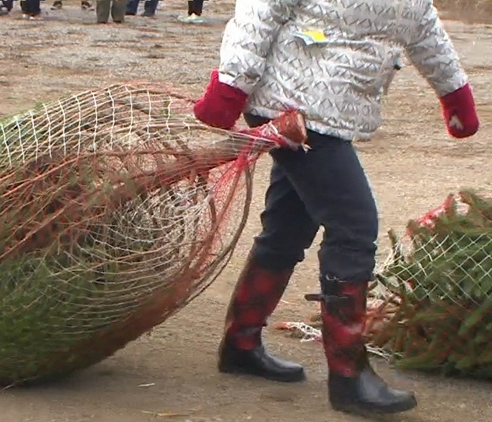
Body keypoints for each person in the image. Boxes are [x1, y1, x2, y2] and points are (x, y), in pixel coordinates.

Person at [193, 0, 479, 416]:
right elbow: (260, 10)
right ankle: (349, 376)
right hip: (294, 106)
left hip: (333, 102)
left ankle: (241, 343)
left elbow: (425, 30)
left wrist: (455, 94)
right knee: (353, 226)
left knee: (289, 227)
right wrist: (231, 86)